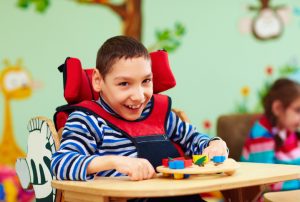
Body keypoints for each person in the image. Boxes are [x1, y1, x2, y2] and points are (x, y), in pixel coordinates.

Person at [51, 35, 228, 201]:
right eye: (124, 84)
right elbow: (61, 163)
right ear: (97, 80)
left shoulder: (160, 113)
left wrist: (214, 144)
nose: (139, 96)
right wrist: (115, 161)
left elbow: (193, 140)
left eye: (146, 81)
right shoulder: (87, 119)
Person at [241, 78, 300, 191]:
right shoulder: (261, 135)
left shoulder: (289, 130)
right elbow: (267, 182)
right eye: (297, 110)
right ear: (277, 108)